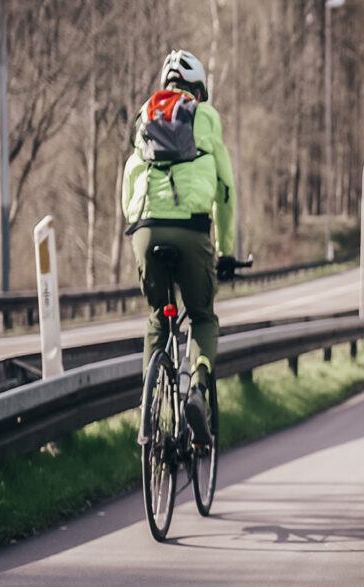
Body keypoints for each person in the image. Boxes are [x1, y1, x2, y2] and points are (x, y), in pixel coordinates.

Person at [122, 49, 237, 445]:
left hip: (146, 229)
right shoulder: (206, 116)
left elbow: (129, 179)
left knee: (159, 317)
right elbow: (225, 190)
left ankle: (148, 413)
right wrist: (226, 249)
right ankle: (198, 393)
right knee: (203, 317)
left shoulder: (146, 114)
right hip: (191, 231)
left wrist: (140, 226)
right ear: (199, 90)